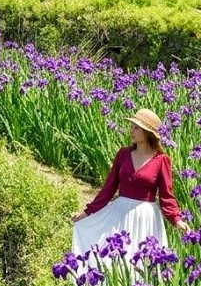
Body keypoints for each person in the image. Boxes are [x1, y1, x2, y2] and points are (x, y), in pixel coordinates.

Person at [71, 108, 191, 269]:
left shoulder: (161, 160)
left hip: (146, 217)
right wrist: (87, 212)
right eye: (132, 127)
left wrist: (176, 219)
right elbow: (108, 188)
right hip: (120, 213)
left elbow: (166, 195)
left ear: (148, 133)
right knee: (116, 258)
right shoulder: (123, 154)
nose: (131, 131)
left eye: (136, 128)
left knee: (141, 261)